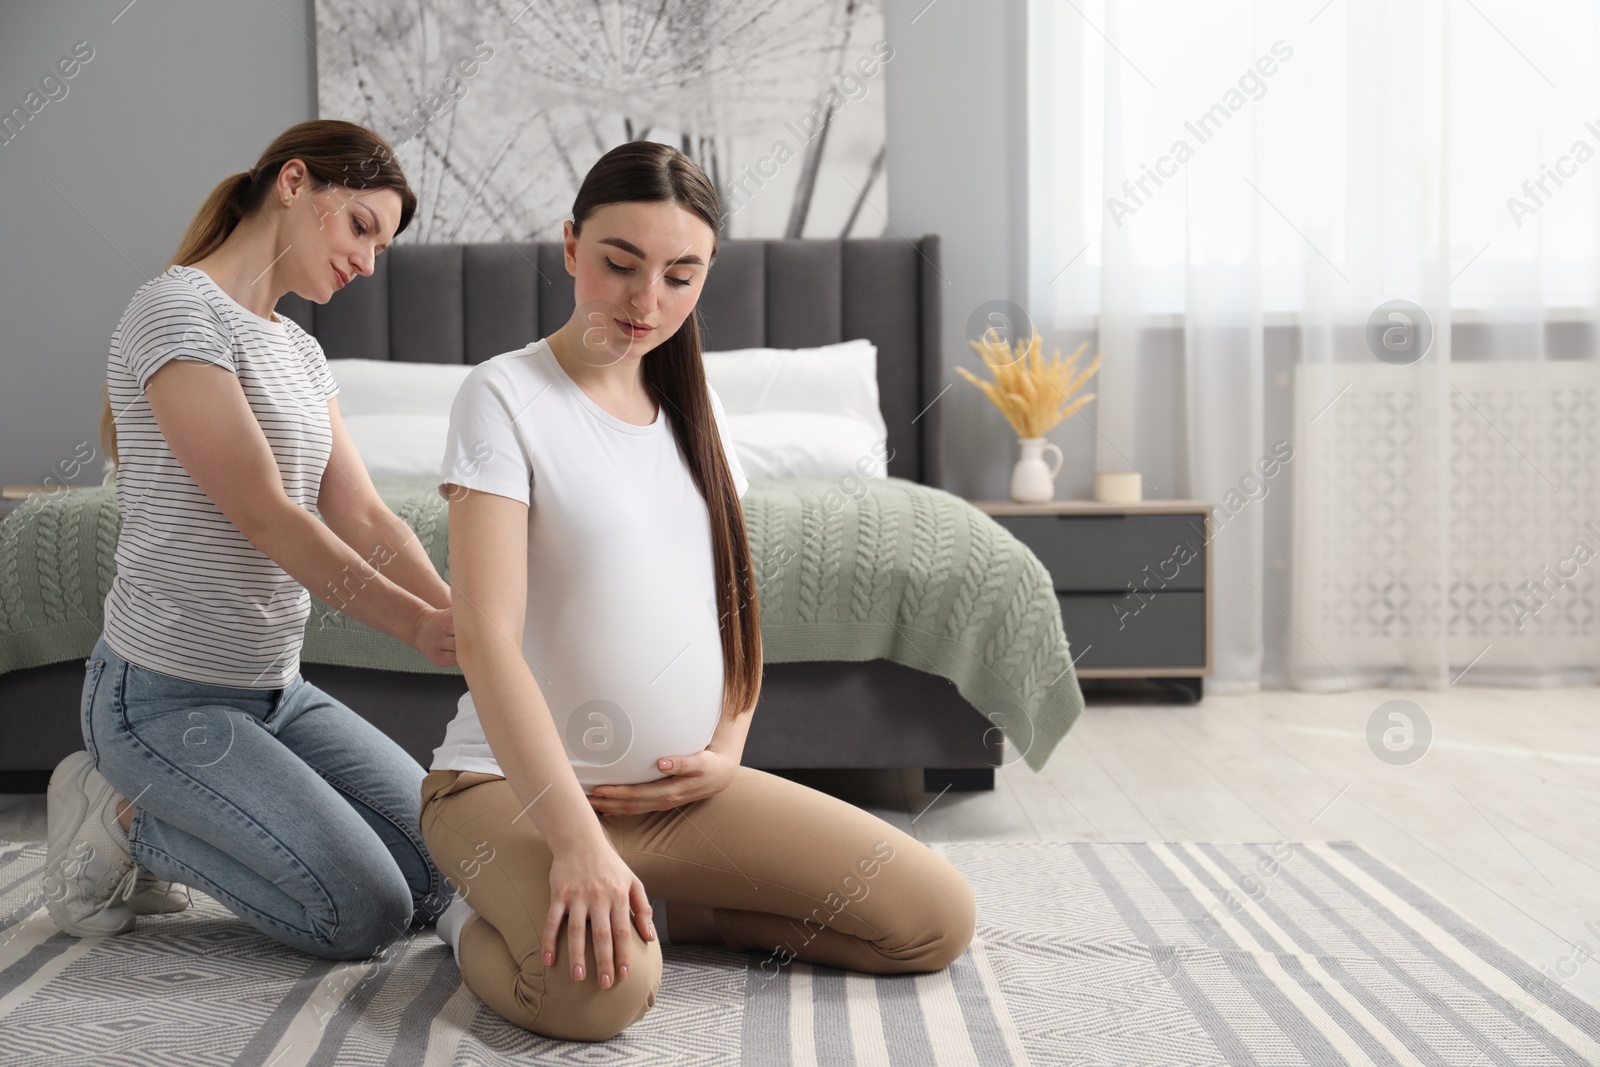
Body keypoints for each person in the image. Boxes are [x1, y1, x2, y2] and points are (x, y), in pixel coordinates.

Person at [422, 139, 976, 1042]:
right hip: (512, 797)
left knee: (931, 918)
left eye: (681, 276)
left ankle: (673, 910)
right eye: (620, 264)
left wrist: (728, 744)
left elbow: (730, 602)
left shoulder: (697, 407)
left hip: (679, 802)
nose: (648, 302)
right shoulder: (503, 396)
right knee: (600, 996)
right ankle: (457, 916)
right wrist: (574, 844)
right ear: (571, 248)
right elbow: (485, 638)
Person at [43, 119, 453, 960]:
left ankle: (201, 810)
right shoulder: (176, 310)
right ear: (294, 183)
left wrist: (458, 613)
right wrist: (414, 629)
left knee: (444, 869)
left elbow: (366, 515)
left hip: (277, 692)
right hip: (162, 698)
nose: (368, 262)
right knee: (364, 912)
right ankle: (123, 811)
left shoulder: (301, 351)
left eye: (382, 246)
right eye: (361, 228)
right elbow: (266, 513)